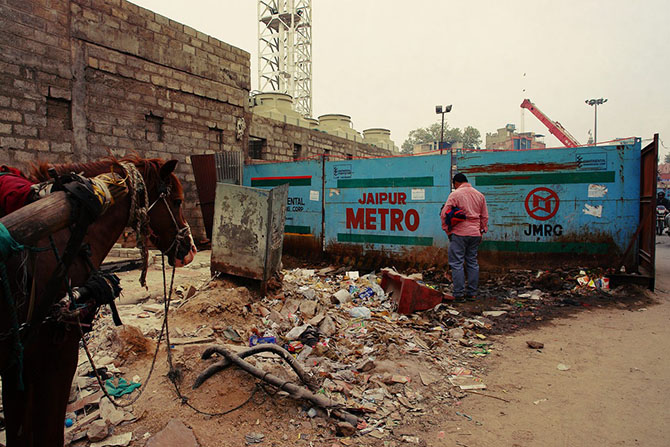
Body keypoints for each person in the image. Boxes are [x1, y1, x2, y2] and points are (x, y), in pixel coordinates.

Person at [440, 173, 488, 302]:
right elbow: (484, 217)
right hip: (475, 234)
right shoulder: (479, 195)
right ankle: (472, 293)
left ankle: (459, 294)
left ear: (456, 183)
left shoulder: (455, 194)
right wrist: (481, 231)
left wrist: (447, 231)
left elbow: (444, 214)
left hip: (459, 234)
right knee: (472, 262)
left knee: (457, 263)